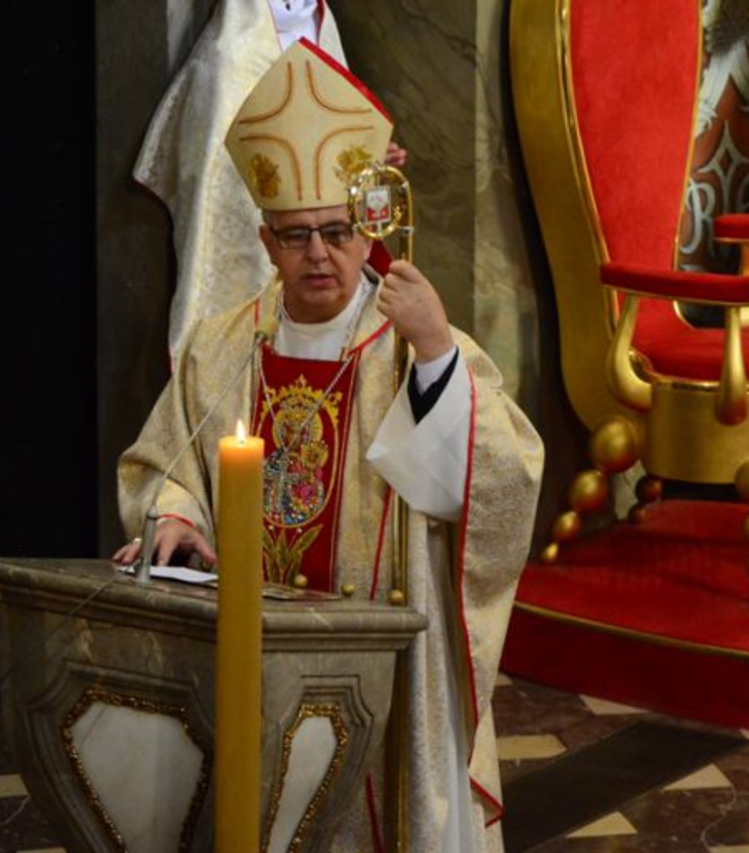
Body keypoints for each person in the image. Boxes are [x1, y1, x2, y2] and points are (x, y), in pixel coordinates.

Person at [115, 40, 543, 853]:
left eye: (338, 232)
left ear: (366, 227)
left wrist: (436, 357)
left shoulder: (409, 339)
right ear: (266, 241)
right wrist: (175, 516)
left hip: (384, 672)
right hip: (251, 659)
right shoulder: (221, 346)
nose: (319, 253)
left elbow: (504, 481)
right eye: (296, 235)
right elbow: (163, 462)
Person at [135, 0, 406, 360]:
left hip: (324, 263)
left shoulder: (323, 29)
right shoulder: (228, 58)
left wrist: (362, 158)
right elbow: (217, 177)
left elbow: (323, 143)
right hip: (270, 246)